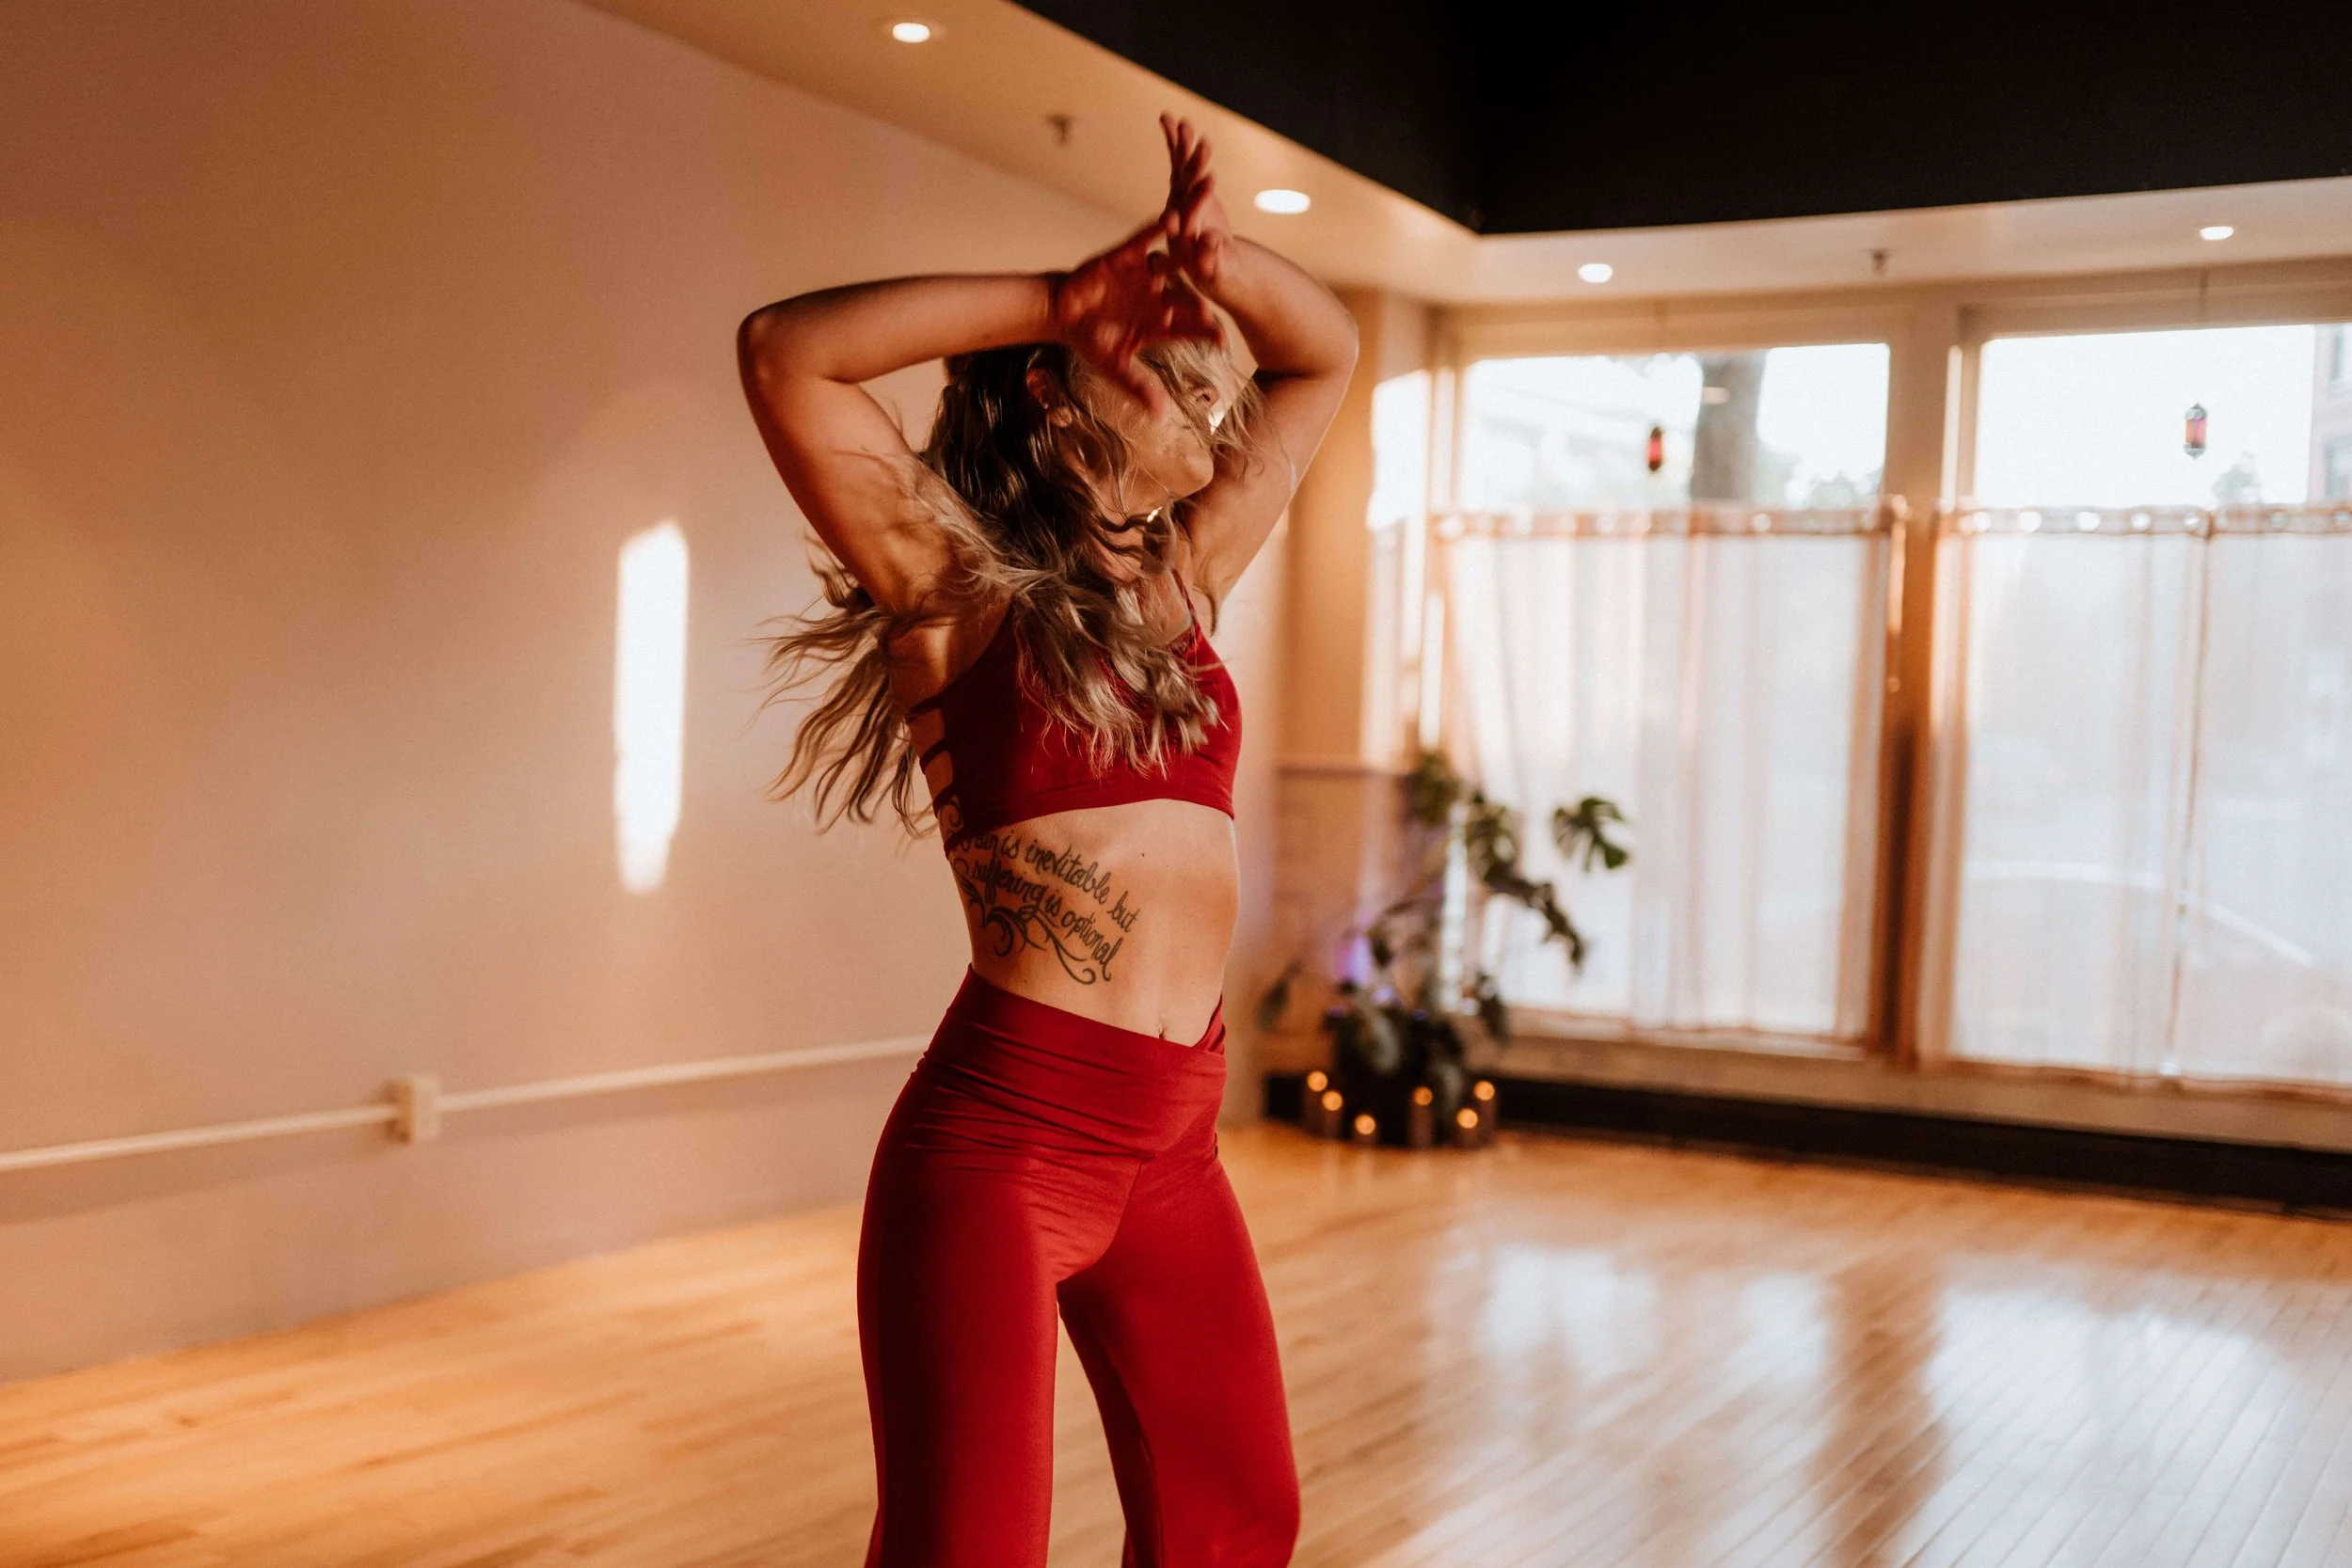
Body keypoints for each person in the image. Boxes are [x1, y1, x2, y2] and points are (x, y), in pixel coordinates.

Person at [736, 114, 1357, 1568]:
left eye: (1215, 390)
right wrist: (1058, 296)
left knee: (1238, 1520)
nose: (1216, 418)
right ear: (1059, 392)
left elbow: (1324, 351)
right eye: (1177, 383)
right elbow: (788, 353)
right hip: (1005, 1146)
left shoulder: (1186, 575)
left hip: (1176, 1144)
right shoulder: (949, 583)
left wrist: (1208, 262)